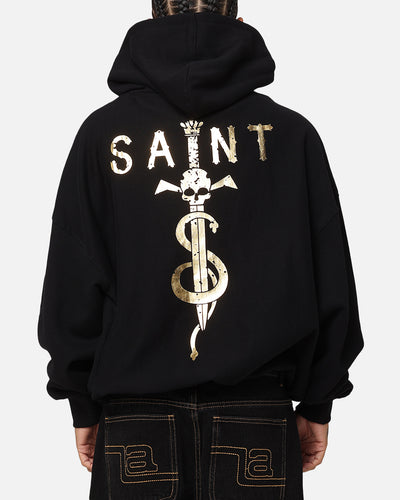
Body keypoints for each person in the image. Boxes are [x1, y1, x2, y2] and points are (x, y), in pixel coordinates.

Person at [37, 1, 364, 498]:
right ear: (237, 18)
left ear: (154, 14)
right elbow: (331, 279)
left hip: (135, 418)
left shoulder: (103, 135)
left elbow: (72, 280)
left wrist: (81, 403)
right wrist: (319, 402)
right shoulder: (291, 134)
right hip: (257, 414)